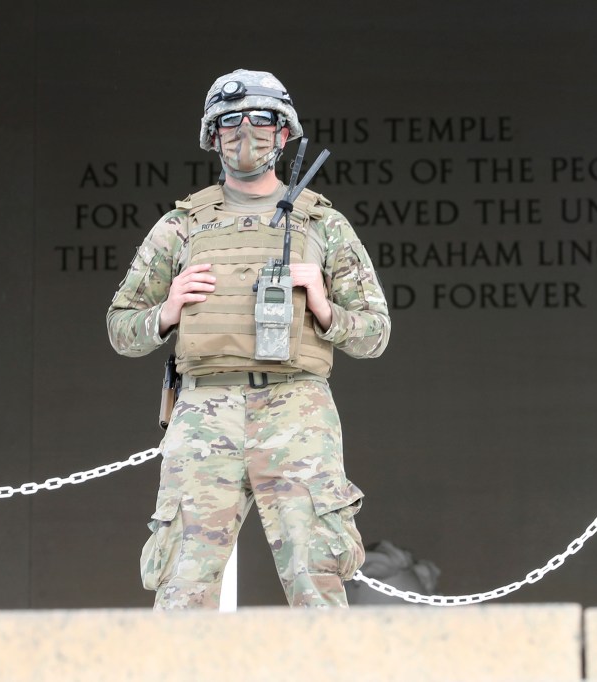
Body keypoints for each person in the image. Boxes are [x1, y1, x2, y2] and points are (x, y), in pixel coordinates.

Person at [106, 68, 391, 609]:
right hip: (204, 410)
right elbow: (122, 328)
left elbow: (375, 333)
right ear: (212, 135)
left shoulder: (321, 224)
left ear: (285, 135)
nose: (246, 133)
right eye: (231, 122)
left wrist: (326, 306)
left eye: (262, 120)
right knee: (183, 585)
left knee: (317, 576)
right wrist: (165, 312)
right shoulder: (182, 225)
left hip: (296, 411)